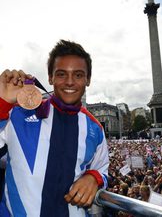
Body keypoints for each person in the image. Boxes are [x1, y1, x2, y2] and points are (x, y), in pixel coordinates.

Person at [0, 40, 109, 216]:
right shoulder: (18, 114)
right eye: (61, 74)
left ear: (88, 80)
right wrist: (2, 104)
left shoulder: (94, 128)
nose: (70, 82)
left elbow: (103, 169)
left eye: (79, 75)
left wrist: (94, 177)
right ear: (50, 77)